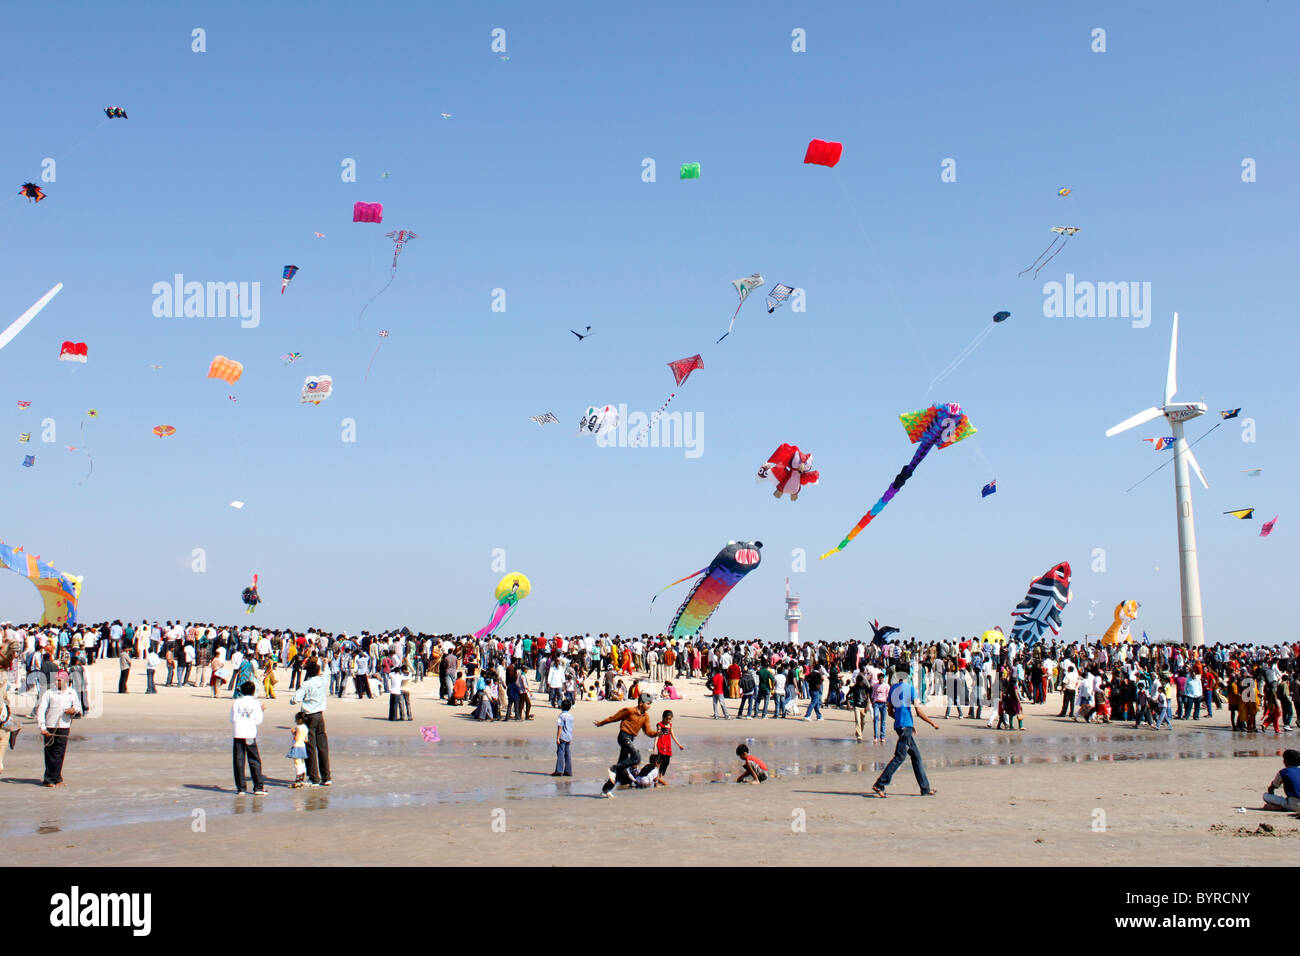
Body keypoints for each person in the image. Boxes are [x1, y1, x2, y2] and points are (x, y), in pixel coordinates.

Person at [872, 668, 939, 798]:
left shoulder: (892, 689)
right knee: (900, 757)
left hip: (901, 726)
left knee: (916, 756)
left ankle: (925, 788)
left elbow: (890, 711)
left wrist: (904, 723)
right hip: (905, 727)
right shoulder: (910, 689)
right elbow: (919, 712)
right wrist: (932, 723)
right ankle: (880, 783)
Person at [594, 693, 659, 798]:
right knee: (636, 758)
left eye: (651, 704)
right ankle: (614, 768)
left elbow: (648, 732)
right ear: (641, 703)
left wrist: (657, 734)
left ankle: (605, 790)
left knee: (621, 770)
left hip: (631, 739)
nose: (650, 706)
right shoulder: (629, 711)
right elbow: (613, 718)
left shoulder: (645, 717)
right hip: (623, 737)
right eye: (648, 703)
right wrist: (600, 723)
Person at [289, 660, 331, 787]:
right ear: (318, 672)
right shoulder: (322, 681)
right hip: (319, 715)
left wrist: (294, 700)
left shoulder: (307, 684)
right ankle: (326, 777)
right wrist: (326, 663)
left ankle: (314, 777)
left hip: (309, 716)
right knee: (322, 747)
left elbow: (294, 699)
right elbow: (327, 673)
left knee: (310, 747)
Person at [36, 670, 81, 787]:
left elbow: (77, 706)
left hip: (64, 726)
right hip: (50, 726)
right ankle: (49, 779)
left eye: (59, 680)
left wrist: (73, 710)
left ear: (65, 681)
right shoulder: (49, 693)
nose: (56, 682)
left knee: (59, 753)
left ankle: (56, 778)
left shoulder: (72, 693)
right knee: (50, 753)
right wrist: (42, 727)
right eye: (56, 680)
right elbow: (41, 710)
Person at [231, 680, 266, 795]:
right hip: (249, 733)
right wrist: (261, 710)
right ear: (253, 691)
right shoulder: (255, 703)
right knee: (254, 760)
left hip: (239, 733)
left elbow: (233, 719)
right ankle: (258, 787)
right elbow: (258, 720)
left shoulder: (236, 702)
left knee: (239, 760)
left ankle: (241, 788)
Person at [654, 709, 684, 779]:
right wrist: (655, 745)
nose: (668, 721)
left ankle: (662, 774)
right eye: (667, 719)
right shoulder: (660, 725)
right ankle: (659, 774)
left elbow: (673, 736)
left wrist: (679, 745)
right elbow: (657, 736)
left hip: (667, 745)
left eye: (670, 719)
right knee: (662, 760)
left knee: (667, 762)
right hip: (661, 744)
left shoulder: (670, 725)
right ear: (663, 717)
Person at [286, 711, 309, 788]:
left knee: (297, 764)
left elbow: (296, 738)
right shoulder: (306, 728)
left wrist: (293, 732)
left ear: (299, 720)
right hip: (303, 746)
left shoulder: (299, 728)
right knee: (302, 763)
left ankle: (298, 781)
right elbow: (306, 740)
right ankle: (302, 779)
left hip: (297, 747)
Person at [552, 698, 574, 777]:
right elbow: (571, 727)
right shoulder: (571, 716)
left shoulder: (561, 716)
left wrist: (557, 737)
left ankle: (559, 770)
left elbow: (560, 727)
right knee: (567, 754)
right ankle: (568, 771)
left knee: (560, 753)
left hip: (563, 736)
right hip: (568, 736)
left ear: (562, 706)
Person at [848, 672, 870, 743]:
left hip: (863, 706)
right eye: (858, 682)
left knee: (863, 722)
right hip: (856, 706)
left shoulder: (865, 687)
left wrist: (867, 705)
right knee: (858, 721)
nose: (860, 684)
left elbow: (868, 696)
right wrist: (848, 704)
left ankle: (858, 732)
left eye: (860, 682)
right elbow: (847, 695)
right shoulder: (854, 687)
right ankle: (859, 737)